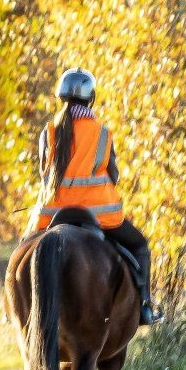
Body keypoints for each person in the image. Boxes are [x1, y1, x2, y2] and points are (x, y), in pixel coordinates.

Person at [23, 67, 162, 324]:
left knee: (22, 252)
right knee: (140, 246)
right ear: (91, 98)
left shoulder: (48, 133)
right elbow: (114, 175)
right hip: (99, 215)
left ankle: (14, 308)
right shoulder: (102, 134)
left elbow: (44, 174)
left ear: (61, 97)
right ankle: (145, 307)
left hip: (52, 214)